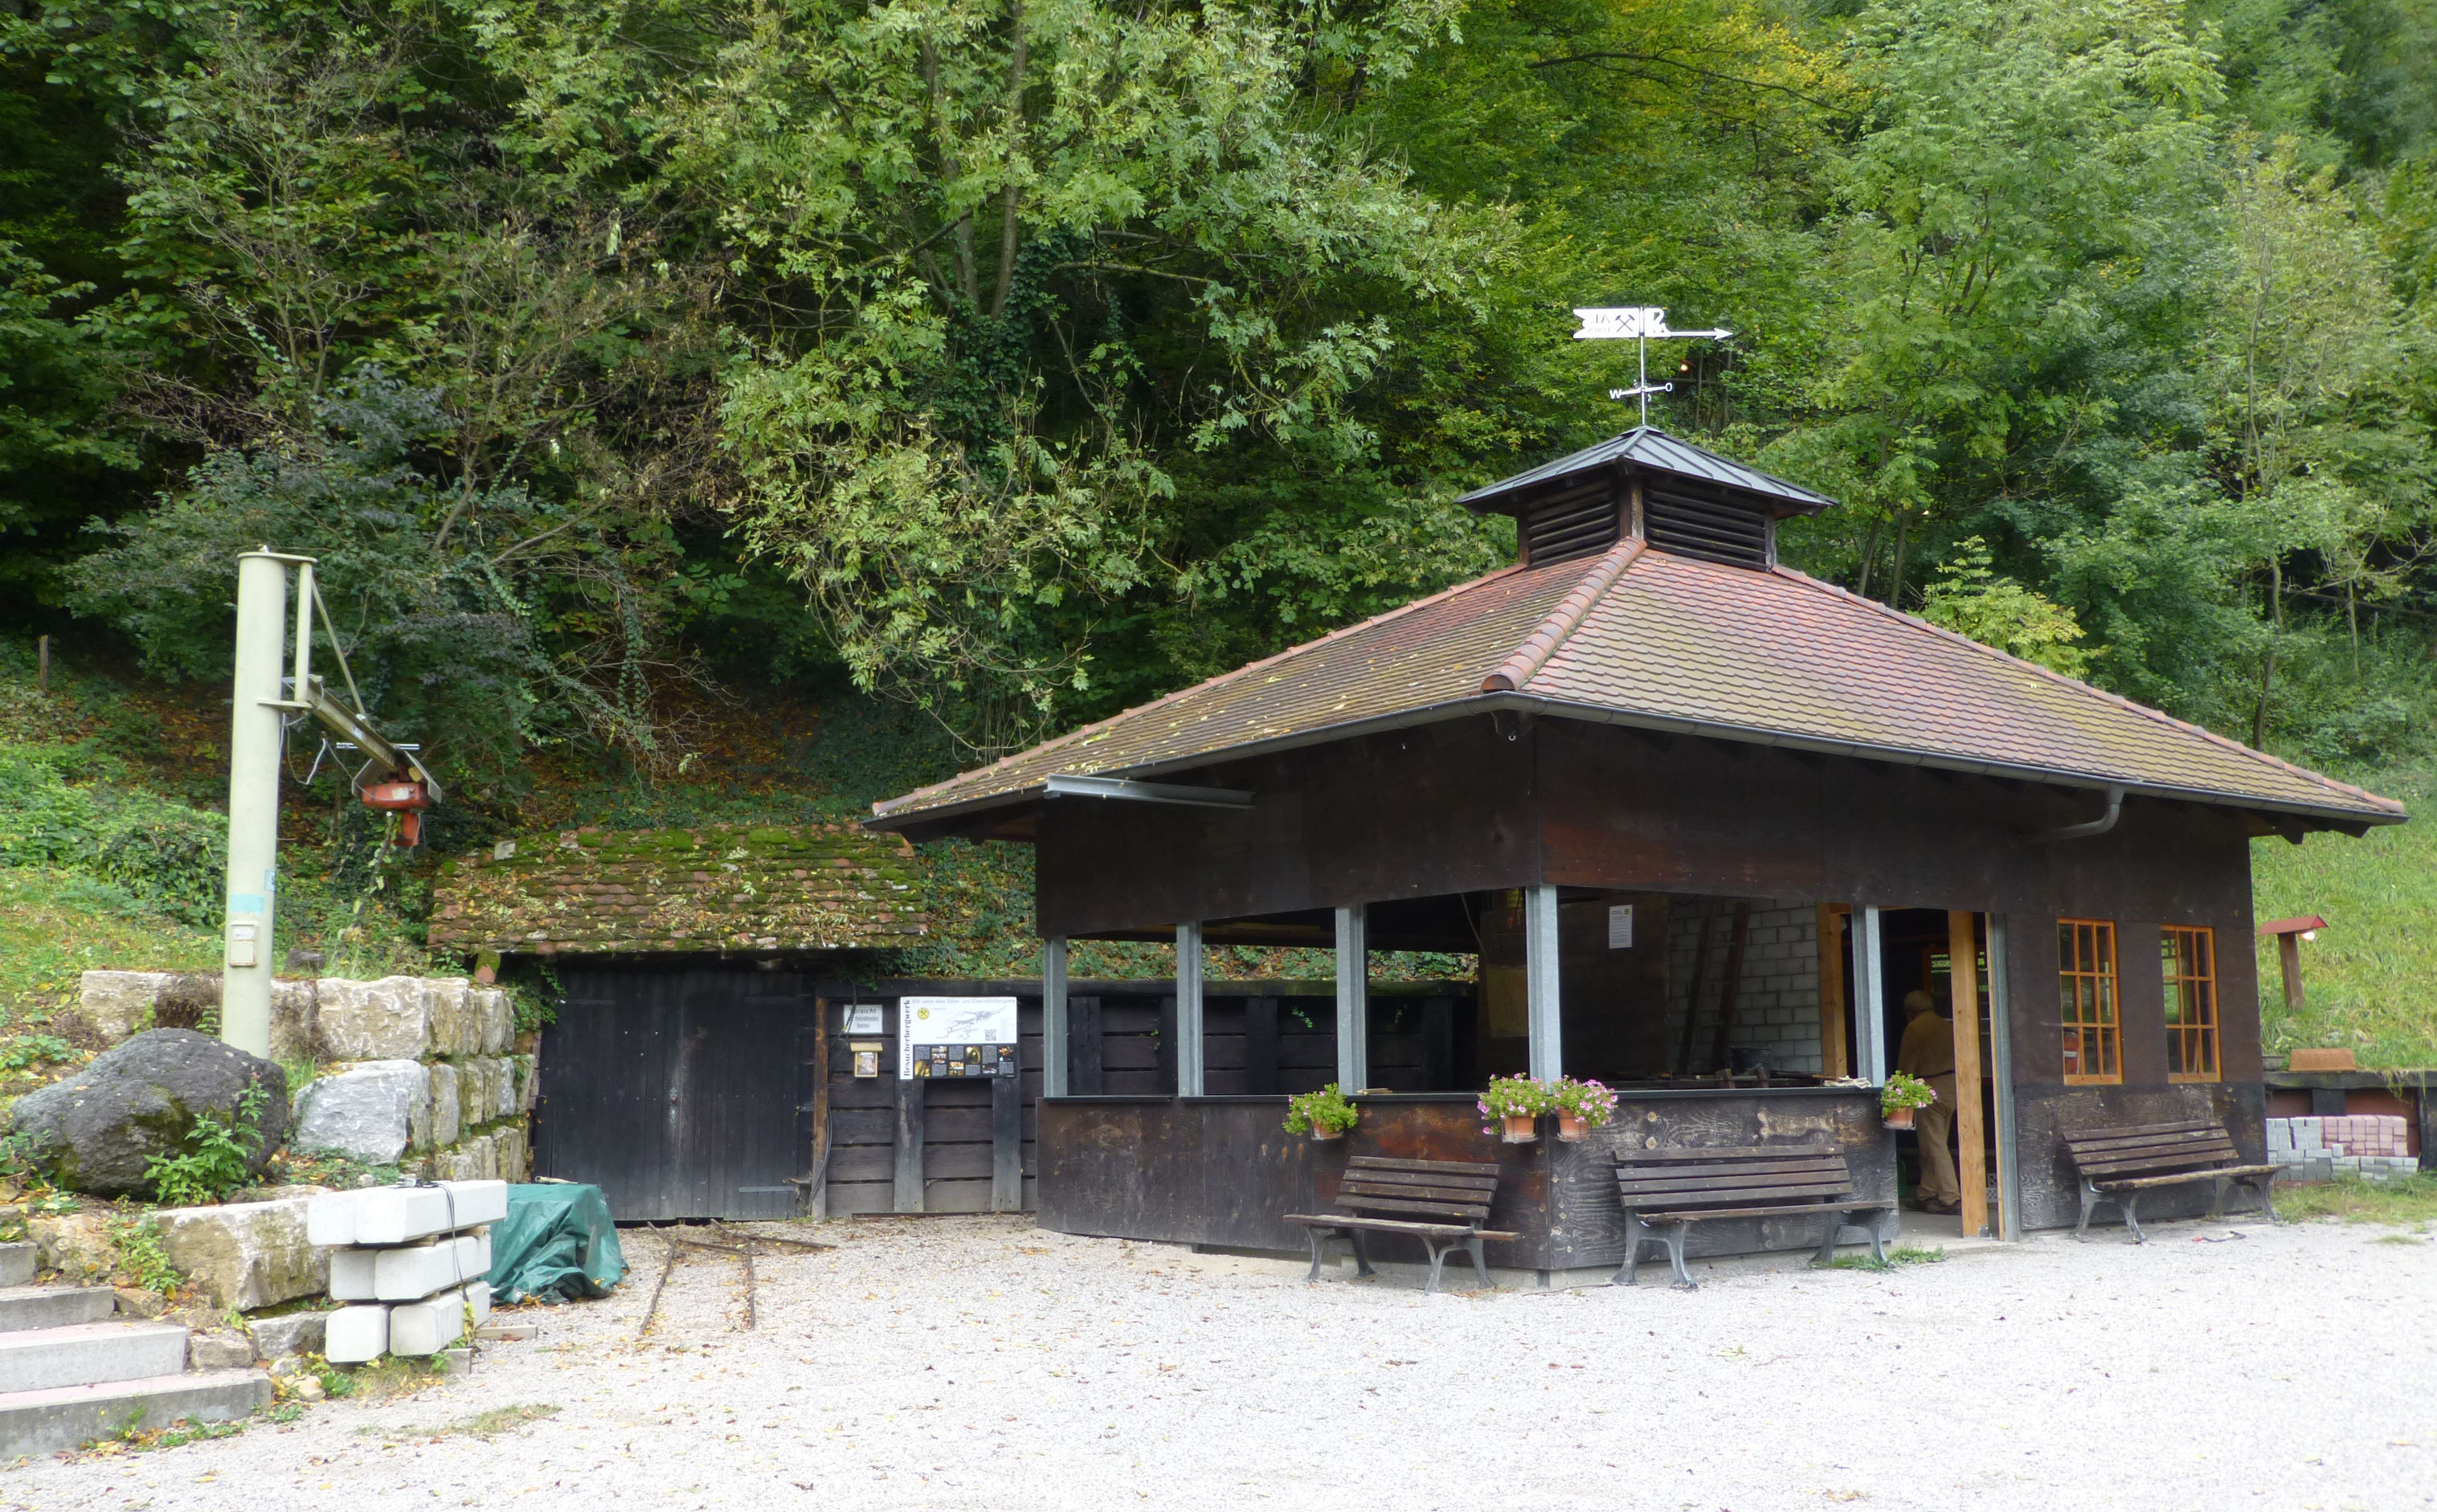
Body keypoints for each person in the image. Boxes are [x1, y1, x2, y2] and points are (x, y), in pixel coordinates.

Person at [1895, 988, 1961, 1215]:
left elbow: (1906, 1065)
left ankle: (1950, 1197)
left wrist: (1899, 1093)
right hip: (1952, 1086)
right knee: (1934, 1143)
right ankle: (1926, 1193)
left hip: (1929, 1088)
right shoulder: (1947, 1025)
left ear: (1910, 1011)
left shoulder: (1914, 1028)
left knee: (1934, 1145)